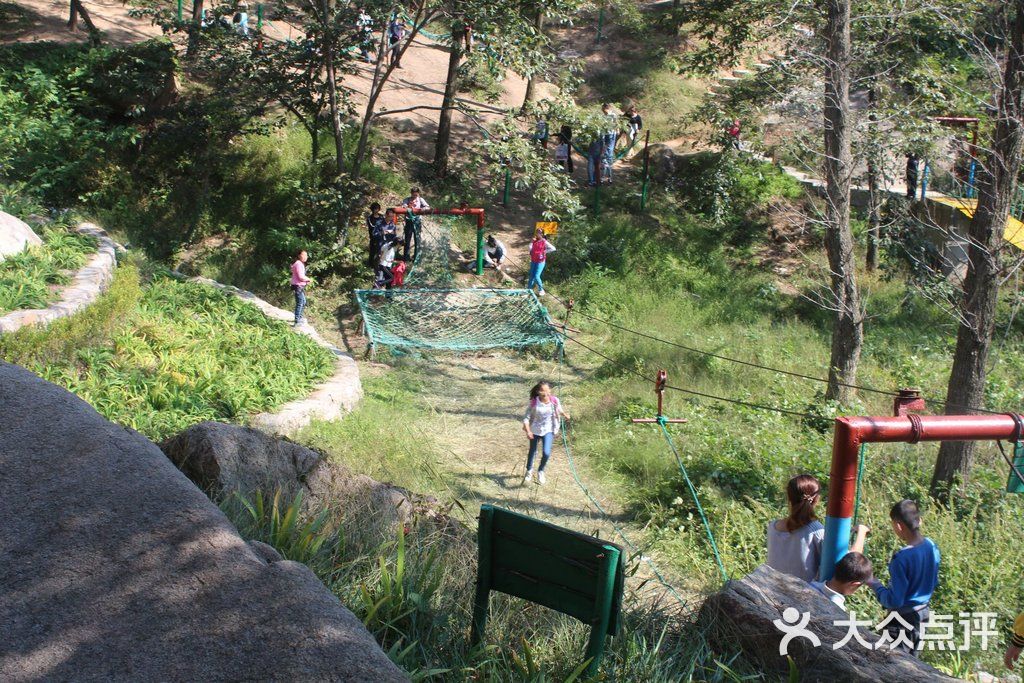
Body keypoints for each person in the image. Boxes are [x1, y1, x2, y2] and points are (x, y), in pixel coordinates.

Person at [866, 499, 940, 656]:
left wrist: (874, 584)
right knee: (913, 664)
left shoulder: (901, 558)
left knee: (894, 664)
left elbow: (895, 600)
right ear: (920, 520)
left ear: (899, 526)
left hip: (902, 619)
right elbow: (934, 581)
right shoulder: (931, 546)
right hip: (923, 614)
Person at [766, 474, 871, 582]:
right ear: (817, 499)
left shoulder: (772, 527)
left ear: (788, 497)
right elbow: (850, 562)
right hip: (802, 596)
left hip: (772, 589)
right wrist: (862, 531)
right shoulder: (816, 532)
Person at [521, 381, 569, 485]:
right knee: (532, 451)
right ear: (538, 391)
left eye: (547, 390)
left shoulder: (554, 400)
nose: (545, 393)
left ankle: (541, 471)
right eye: (543, 390)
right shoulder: (534, 402)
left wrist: (564, 414)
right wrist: (528, 430)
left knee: (546, 453)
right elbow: (526, 417)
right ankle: (529, 471)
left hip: (549, 430)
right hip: (535, 430)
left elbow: (559, 409)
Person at [401, 188, 429, 261]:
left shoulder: (421, 200)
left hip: (417, 221)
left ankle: (416, 257)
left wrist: (423, 209)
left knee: (417, 239)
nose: (415, 195)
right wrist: (408, 207)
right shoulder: (407, 200)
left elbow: (427, 206)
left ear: (418, 193)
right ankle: (406, 257)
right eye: (413, 193)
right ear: (411, 193)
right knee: (407, 239)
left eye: (416, 193)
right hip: (409, 221)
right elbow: (403, 206)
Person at [526, 228, 555, 296]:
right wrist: (531, 242)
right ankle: (528, 289)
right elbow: (530, 249)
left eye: (539, 232)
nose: (537, 233)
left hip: (540, 262)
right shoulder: (534, 241)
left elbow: (553, 248)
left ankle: (541, 290)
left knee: (536, 276)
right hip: (534, 260)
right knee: (531, 276)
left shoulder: (544, 241)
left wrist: (544, 252)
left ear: (542, 234)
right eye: (536, 232)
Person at [290, 249, 311, 326]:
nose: (306, 257)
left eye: (306, 255)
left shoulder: (300, 263)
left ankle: (300, 318)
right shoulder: (299, 264)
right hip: (298, 286)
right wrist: (308, 279)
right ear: (299, 255)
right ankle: (297, 321)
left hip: (300, 286)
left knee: (303, 302)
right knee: (300, 303)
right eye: (304, 255)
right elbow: (301, 277)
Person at [601, 103, 619, 182]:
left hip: (611, 134)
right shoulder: (603, 116)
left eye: (604, 110)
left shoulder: (613, 115)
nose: (603, 111)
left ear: (607, 108)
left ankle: (608, 174)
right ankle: (605, 170)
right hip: (605, 134)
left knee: (609, 152)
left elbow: (616, 124)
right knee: (605, 151)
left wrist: (617, 130)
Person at [366, 202, 386, 267]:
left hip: (381, 237)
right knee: (372, 251)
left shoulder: (381, 217)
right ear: (372, 209)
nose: (376, 210)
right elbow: (371, 226)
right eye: (375, 209)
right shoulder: (370, 218)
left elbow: (384, 225)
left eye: (377, 208)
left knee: (380, 251)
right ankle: (371, 264)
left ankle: (379, 264)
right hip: (373, 237)